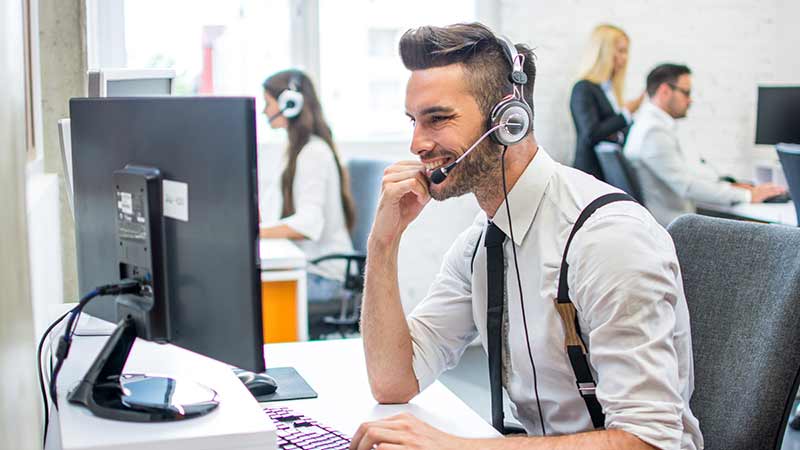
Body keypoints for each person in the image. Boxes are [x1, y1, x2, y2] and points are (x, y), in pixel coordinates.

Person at [352, 23, 702, 450]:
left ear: (509, 121)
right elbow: (393, 382)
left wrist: (456, 447)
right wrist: (383, 243)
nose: (417, 144)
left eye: (437, 119)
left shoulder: (607, 239)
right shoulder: (481, 245)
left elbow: (649, 440)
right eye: (413, 121)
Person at [623, 63, 786, 227]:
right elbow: (687, 187)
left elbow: (682, 177)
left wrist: (728, 186)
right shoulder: (653, 132)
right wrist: (748, 195)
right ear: (665, 91)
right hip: (674, 228)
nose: (690, 100)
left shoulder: (644, 125)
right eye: (686, 93)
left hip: (670, 223)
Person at [260, 69, 356, 304]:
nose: (264, 111)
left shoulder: (313, 153)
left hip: (325, 277)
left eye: (267, 103)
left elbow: (307, 224)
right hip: (310, 270)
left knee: (250, 299)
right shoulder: (294, 151)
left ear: (289, 104)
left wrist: (253, 232)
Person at [570, 24, 645, 181]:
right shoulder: (583, 88)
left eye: (626, 52)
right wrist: (625, 114)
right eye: (620, 51)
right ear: (603, 52)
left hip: (611, 172)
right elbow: (590, 134)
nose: (625, 58)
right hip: (590, 173)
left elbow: (613, 131)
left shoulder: (611, 90)